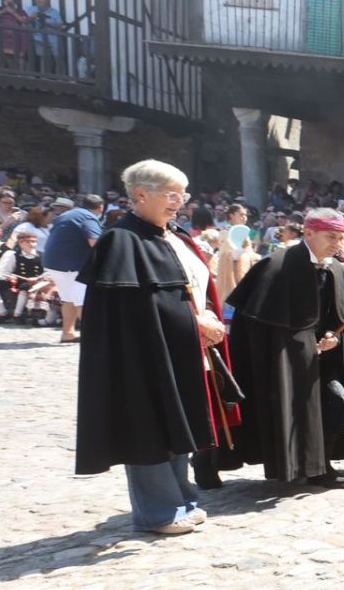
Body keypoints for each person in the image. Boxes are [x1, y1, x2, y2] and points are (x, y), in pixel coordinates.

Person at [75, 160, 237, 535]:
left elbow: (189, 288)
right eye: (171, 194)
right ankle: (158, 512)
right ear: (141, 194)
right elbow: (133, 308)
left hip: (181, 348)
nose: (179, 202)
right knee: (147, 426)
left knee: (178, 420)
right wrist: (195, 323)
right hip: (143, 354)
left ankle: (181, 499)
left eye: (183, 194)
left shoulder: (172, 235)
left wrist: (208, 316)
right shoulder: (121, 240)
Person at [222, 208, 344, 489]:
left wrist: (332, 338)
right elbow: (263, 327)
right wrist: (301, 344)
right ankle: (208, 463)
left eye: (340, 237)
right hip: (282, 362)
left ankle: (319, 465)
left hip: (322, 361)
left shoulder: (335, 268)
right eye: (331, 237)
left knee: (338, 406)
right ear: (309, 233)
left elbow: (335, 315)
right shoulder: (276, 267)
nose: (337, 243)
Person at [42, 194, 103, 343]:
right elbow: (94, 241)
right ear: (100, 207)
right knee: (82, 300)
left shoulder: (67, 214)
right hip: (73, 263)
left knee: (68, 298)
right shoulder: (88, 217)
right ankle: (93, 338)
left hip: (53, 262)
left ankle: (68, 333)